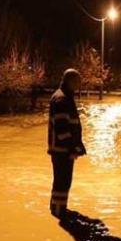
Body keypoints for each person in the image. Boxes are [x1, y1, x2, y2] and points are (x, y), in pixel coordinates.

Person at [48, 69, 87, 219]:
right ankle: (59, 210)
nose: (80, 84)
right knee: (63, 180)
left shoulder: (63, 96)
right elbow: (61, 128)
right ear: (70, 81)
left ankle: (56, 207)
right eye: (78, 81)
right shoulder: (62, 99)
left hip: (61, 148)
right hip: (62, 149)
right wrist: (72, 148)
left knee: (61, 179)